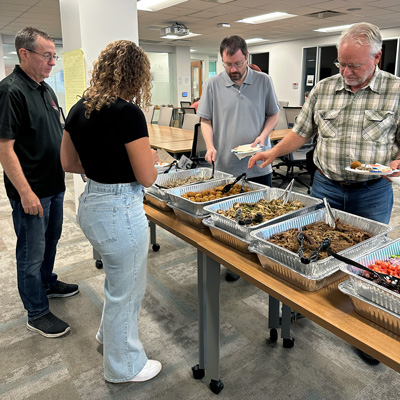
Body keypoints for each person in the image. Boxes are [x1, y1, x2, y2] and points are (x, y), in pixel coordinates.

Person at [60, 40, 162, 383]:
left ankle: (108, 337)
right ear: (136, 76)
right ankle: (124, 368)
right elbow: (147, 178)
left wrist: (103, 166)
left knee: (117, 284)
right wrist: (152, 164)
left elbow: (68, 162)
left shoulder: (79, 109)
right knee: (127, 291)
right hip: (120, 211)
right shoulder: (128, 113)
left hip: (91, 205)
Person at [249, 22, 400, 226]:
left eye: (354, 65)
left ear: (377, 57)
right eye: (342, 64)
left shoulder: (395, 91)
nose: (346, 72)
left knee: (365, 252)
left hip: (372, 193)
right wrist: (274, 152)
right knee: (316, 244)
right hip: (326, 187)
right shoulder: (323, 88)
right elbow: (301, 132)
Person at [0, 27, 79, 338]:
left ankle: (47, 282)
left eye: (53, 56)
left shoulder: (45, 89)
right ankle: (36, 310)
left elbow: (56, 135)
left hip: (54, 185)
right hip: (31, 191)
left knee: (51, 241)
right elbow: (4, 148)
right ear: (24, 54)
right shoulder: (10, 91)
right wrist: (25, 192)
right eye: (47, 56)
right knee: (30, 251)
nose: (52, 63)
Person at [197, 35, 280, 281]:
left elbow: (273, 115)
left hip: (259, 164)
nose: (233, 70)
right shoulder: (213, 84)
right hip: (226, 166)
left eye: (237, 64)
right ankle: (234, 264)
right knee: (231, 219)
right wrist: (210, 146)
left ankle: (262, 261)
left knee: (262, 215)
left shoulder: (264, 81)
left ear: (247, 57)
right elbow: (206, 120)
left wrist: (263, 136)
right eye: (227, 65)